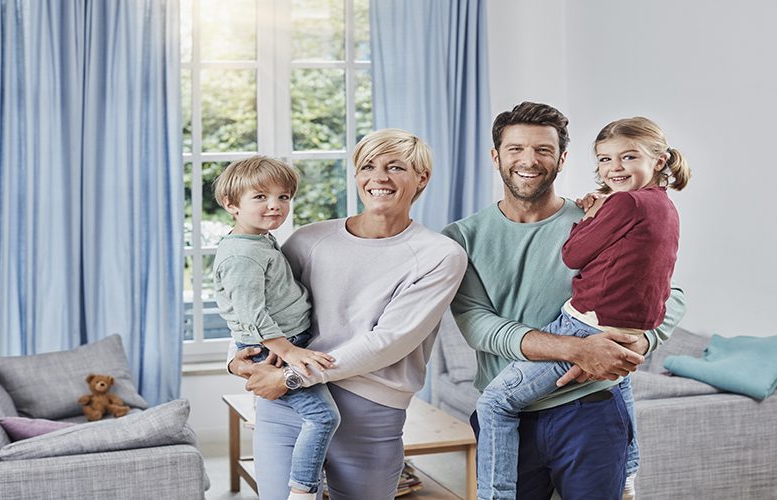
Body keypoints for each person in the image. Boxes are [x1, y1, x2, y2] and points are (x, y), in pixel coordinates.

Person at [442, 102, 687, 500]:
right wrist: (577, 349)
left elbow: (669, 294)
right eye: (515, 149)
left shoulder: (600, 218)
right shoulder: (462, 237)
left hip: (589, 409)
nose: (529, 160)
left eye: (543, 149)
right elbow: (475, 322)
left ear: (562, 159)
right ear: (495, 156)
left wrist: (637, 341)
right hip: (513, 418)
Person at [226, 129, 468, 500]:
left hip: (368, 411)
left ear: (422, 177)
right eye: (367, 166)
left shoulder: (440, 255)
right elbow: (258, 302)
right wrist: (235, 361)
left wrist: (291, 377)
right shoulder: (309, 239)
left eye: (395, 167)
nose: (379, 177)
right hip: (286, 408)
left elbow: (389, 342)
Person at [212, 155, 339, 500]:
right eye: (260, 197)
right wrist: (289, 351)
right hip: (277, 346)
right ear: (231, 204)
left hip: (281, 340)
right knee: (324, 418)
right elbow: (251, 315)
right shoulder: (242, 255)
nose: (275, 206)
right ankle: (302, 490)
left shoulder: (259, 239)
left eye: (283, 197)